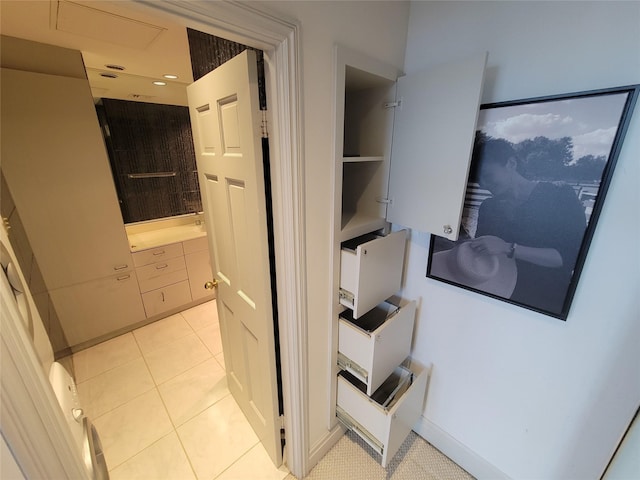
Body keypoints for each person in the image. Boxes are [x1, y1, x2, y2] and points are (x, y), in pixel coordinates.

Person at [457, 136, 586, 314]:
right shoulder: (489, 207)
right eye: (480, 181)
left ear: (511, 163)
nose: (485, 185)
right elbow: (484, 252)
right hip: (499, 293)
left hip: (545, 301)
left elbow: (567, 259)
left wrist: (508, 248)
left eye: (488, 176)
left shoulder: (560, 196)